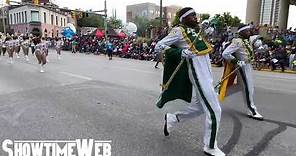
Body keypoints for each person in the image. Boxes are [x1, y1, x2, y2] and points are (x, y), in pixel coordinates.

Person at [155, 7, 225, 156]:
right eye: (192, 15)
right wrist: (180, 52)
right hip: (197, 73)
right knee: (215, 110)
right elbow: (159, 46)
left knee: (201, 107)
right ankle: (210, 146)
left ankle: (173, 117)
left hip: (207, 73)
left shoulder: (196, 30)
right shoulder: (178, 30)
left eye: (195, 15)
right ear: (184, 18)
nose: (195, 17)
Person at [220, 24, 264, 120]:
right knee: (248, 88)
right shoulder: (237, 42)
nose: (249, 32)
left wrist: (257, 37)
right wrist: (237, 61)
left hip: (248, 66)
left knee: (242, 87)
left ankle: (216, 94)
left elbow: (257, 42)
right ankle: (252, 110)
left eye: (249, 30)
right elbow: (225, 53)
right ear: (241, 32)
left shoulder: (248, 40)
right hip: (242, 66)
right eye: (247, 31)